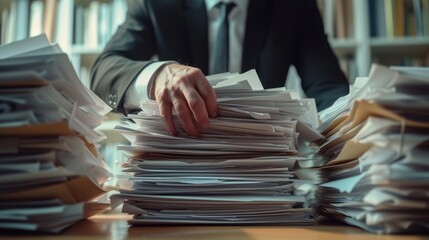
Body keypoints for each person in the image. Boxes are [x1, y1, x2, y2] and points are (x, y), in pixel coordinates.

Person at [91, 0, 349, 137]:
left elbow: (329, 88)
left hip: (263, 172)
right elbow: (104, 71)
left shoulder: (293, 7)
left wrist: (357, 122)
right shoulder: (157, 4)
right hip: (173, 168)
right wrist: (157, 75)